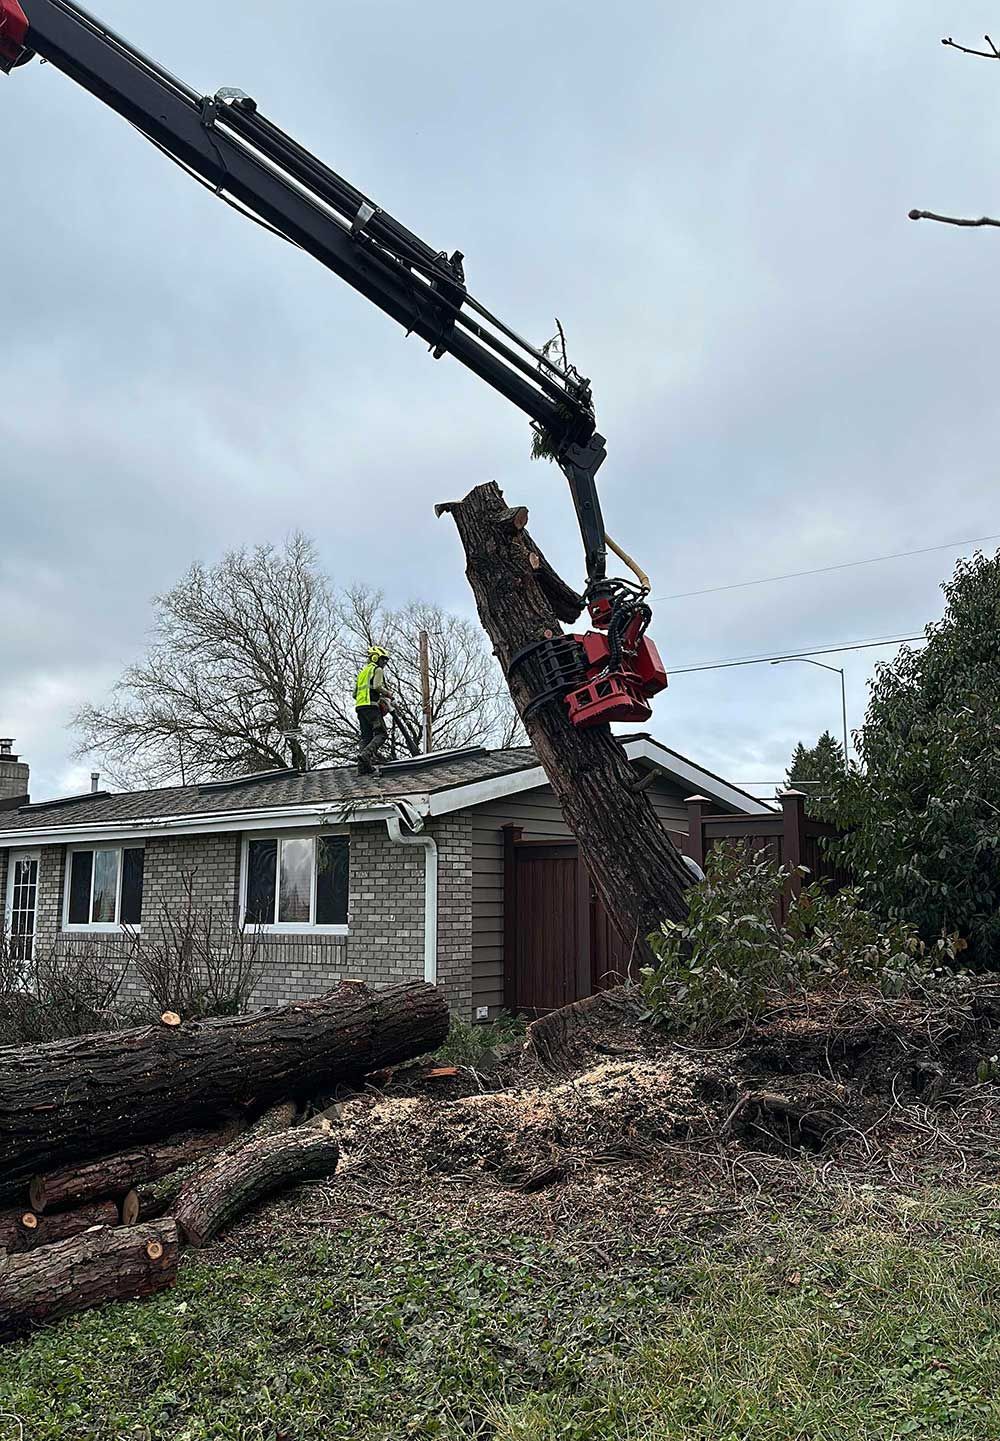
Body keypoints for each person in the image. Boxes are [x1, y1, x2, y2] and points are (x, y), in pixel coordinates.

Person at [355, 644, 392, 774]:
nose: (384, 663)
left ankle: (362, 768)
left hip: (360, 708)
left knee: (366, 737)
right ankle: (366, 754)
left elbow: (354, 694)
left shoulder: (362, 673)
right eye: (383, 659)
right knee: (382, 733)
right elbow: (377, 686)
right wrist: (388, 694)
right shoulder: (377, 670)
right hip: (371, 706)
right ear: (376, 658)